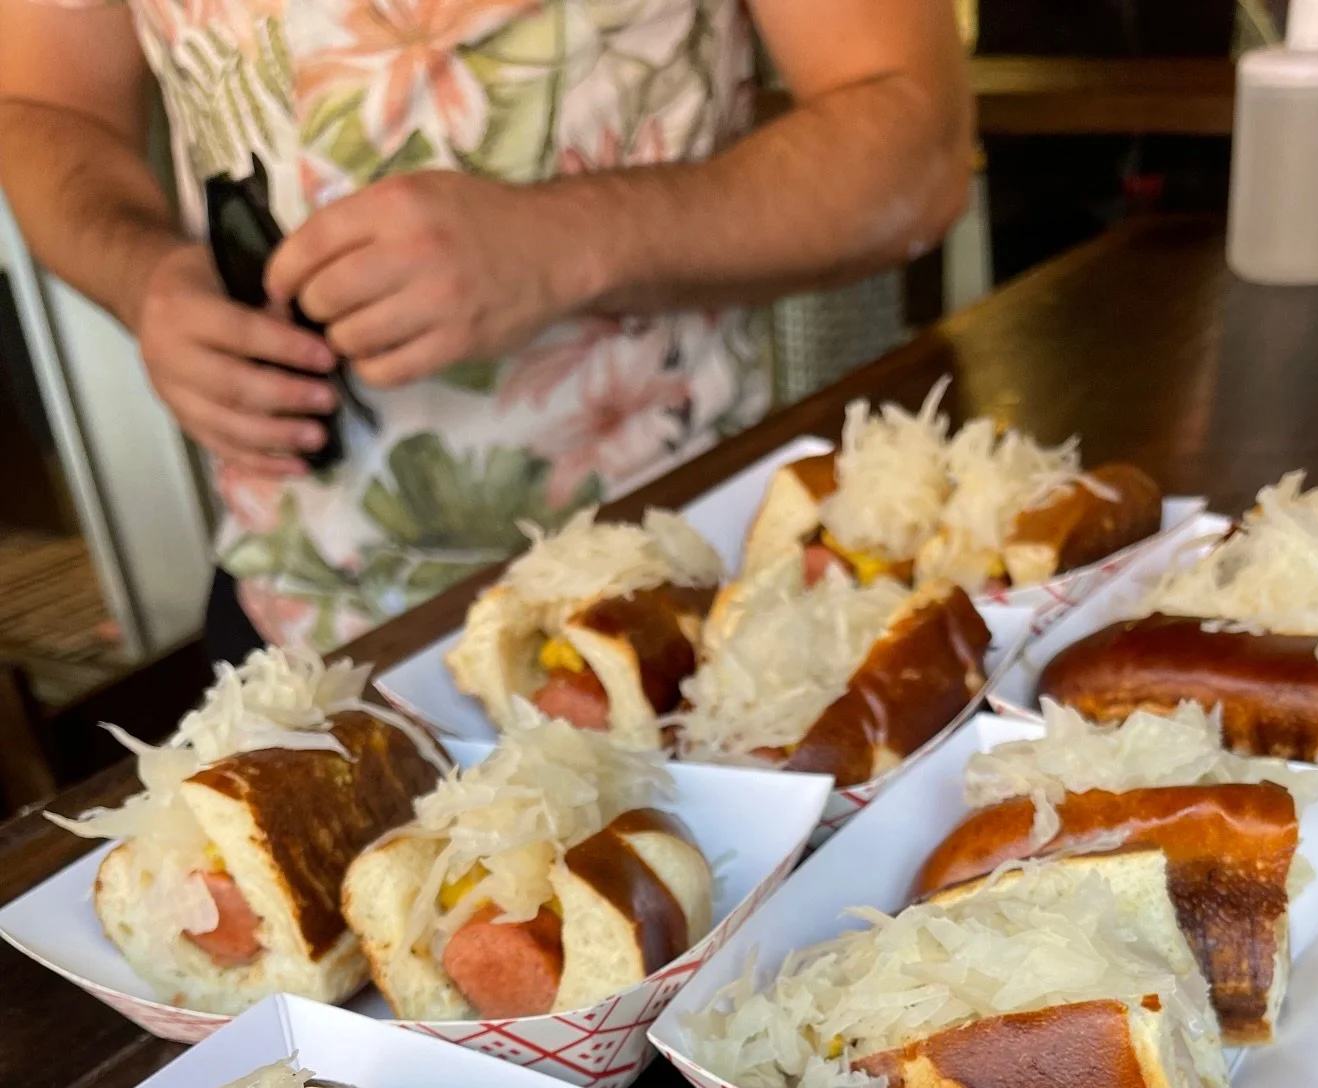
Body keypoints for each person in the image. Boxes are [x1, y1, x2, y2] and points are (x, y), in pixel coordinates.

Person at [0, 0, 972, 657]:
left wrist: (572, 238)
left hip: (703, 589)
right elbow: (41, 104)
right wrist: (143, 277)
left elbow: (917, 146)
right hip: (297, 612)